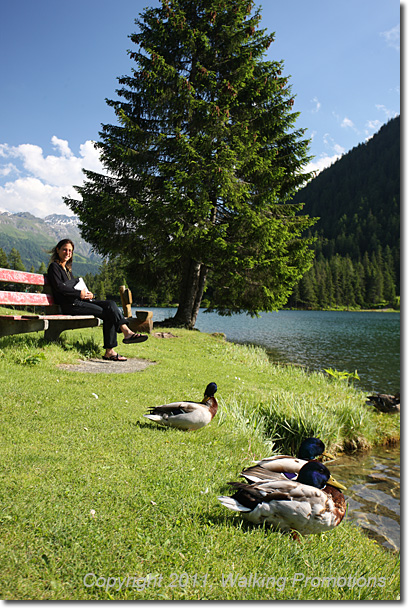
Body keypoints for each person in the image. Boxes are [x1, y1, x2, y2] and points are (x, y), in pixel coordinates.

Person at [47, 239, 147, 361]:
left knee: (110, 304)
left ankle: (125, 333)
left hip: (79, 301)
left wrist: (88, 294)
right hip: (70, 305)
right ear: (57, 250)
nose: (67, 253)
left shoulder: (67, 270)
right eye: (64, 249)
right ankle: (116, 345)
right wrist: (80, 294)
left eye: (70, 251)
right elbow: (59, 287)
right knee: (108, 313)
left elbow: (71, 287)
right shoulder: (54, 267)